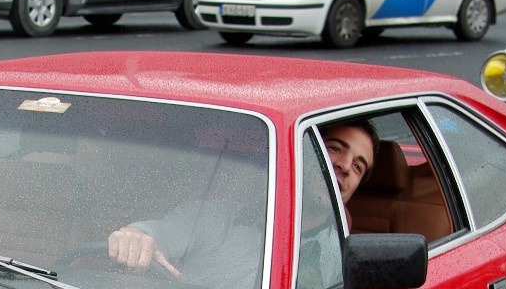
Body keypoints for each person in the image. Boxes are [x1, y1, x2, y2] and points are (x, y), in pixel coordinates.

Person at [107, 119, 376, 278]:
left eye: (358, 167)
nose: (344, 165)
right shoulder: (219, 217)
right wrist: (136, 234)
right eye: (335, 149)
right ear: (302, 151)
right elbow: (162, 231)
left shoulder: (343, 252)